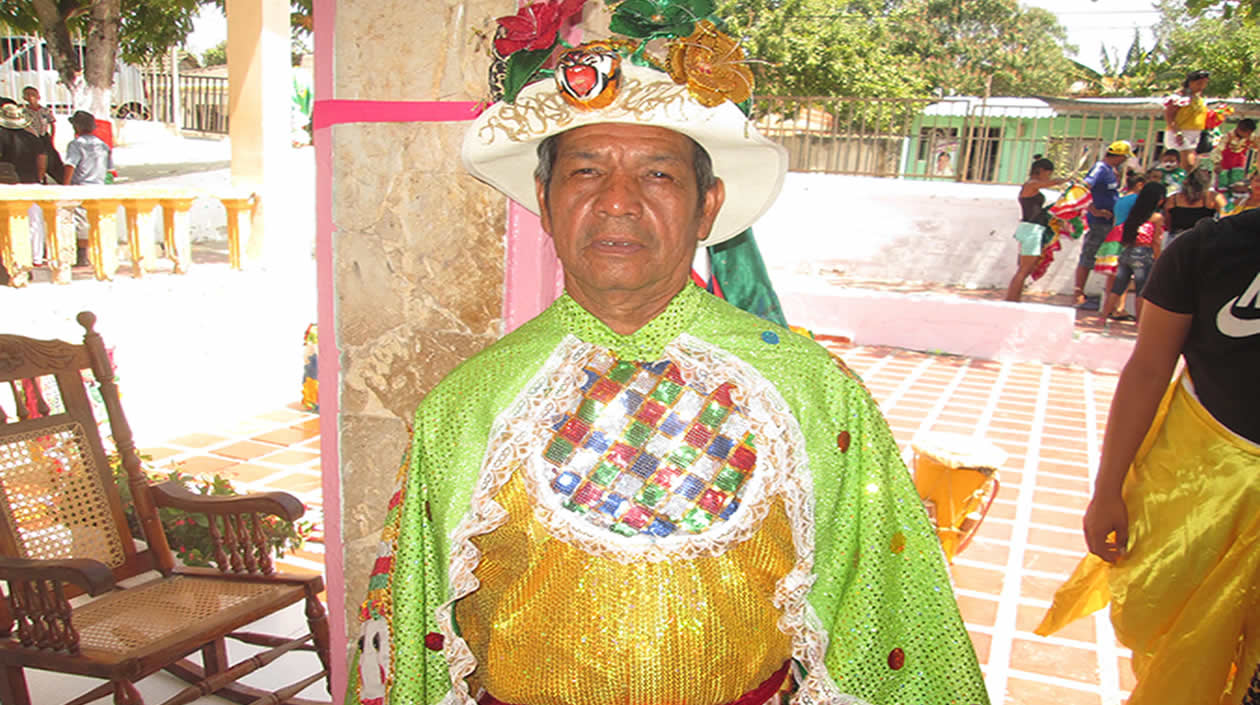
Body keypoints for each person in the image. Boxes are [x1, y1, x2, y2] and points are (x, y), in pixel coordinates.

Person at [346, 15, 989, 705]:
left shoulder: (813, 393)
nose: (617, 201)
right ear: (544, 200)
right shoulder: (468, 405)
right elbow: (415, 642)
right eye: (586, 170)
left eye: (657, 174)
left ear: (706, 205)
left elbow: (888, 620)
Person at [1036, 207, 1260, 705]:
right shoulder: (1206, 251)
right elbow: (1148, 369)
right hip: (1205, 495)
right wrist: (1108, 489)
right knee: (1184, 648)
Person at [1074, 140, 1129, 307]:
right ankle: (1078, 295)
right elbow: (1083, 188)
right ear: (1118, 156)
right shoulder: (1100, 168)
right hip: (1099, 222)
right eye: (1124, 158)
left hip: (1110, 222)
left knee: (1110, 259)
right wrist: (1094, 210)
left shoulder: (1111, 171)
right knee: (1088, 257)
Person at [1005, 156, 1067, 302]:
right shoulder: (1031, 185)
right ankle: (1011, 300)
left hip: (1031, 229)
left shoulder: (1032, 186)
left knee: (1024, 269)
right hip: (1031, 230)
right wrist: (1063, 181)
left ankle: (1014, 299)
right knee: (1024, 270)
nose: (1048, 177)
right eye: (1048, 173)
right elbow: (1049, 183)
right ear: (1041, 171)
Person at [1102, 182, 1166, 323]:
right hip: (1144, 254)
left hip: (1127, 252)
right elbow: (1156, 241)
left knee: (1117, 288)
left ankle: (1103, 317)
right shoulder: (1157, 218)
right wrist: (1158, 258)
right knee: (1141, 291)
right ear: (1159, 199)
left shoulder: (1133, 214)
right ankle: (1139, 322)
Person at [0, 103, 48, 266]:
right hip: (32, 183)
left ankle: (11, 256)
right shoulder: (32, 138)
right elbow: (42, 161)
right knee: (35, 222)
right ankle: (36, 257)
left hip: (7, 185)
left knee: (7, 222)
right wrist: (38, 178)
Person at [64, 110, 112, 267]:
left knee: (82, 223)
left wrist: (64, 186)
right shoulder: (103, 145)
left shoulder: (76, 145)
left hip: (81, 187)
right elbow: (109, 170)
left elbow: (70, 166)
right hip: (99, 187)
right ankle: (98, 253)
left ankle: (83, 256)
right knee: (97, 221)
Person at [1163, 167, 1223, 249]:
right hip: (1203, 241)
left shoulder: (1173, 199)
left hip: (1177, 241)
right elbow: (1225, 217)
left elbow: (1168, 224)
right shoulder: (1213, 198)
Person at [1163, 69, 1211, 170]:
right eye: (1199, 83)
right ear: (1190, 83)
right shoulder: (1179, 97)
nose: (1201, 86)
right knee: (1187, 164)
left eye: (1204, 83)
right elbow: (1169, 115)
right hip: (1180, 132)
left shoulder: (1199, 98)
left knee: (1191, 165)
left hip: (1195, 134)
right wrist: (1177, 132)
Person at [1215, 118, 1258, 197]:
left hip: (1239, 163)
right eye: (1247, 133)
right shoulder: (1228, 136)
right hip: (1224, 164)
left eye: (1250, 133)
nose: (1249, 135)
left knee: (1237, 184)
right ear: (1239, 129)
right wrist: (1217, 163)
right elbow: (1218, 150)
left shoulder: (1252, 137)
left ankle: (1236, 202)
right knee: (1222, 185)